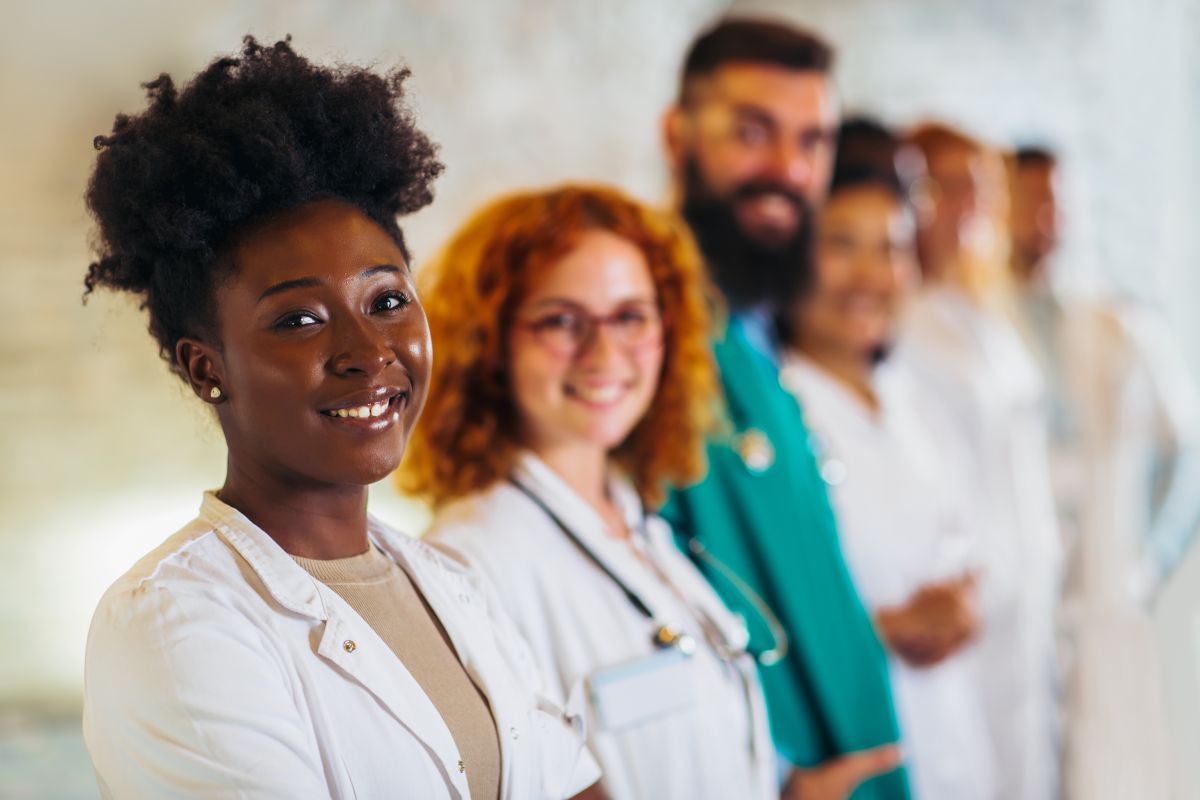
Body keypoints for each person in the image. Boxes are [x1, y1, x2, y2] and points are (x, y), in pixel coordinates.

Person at [80, 38, 601, 800]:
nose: (367, 351)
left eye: (388, 300)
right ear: (206, 367)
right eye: (298, 320)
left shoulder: (449, 582)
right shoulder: (171, 626)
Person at [399, 184, 807, 800]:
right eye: (561, 320)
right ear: (490, 344)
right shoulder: (469, 564)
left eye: (630, 316)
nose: (605, 353)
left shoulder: (641, 523)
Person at [657, 18, 909, 800]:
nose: (788, 169)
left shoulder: (760, 327)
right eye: (753, 133)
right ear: (678, 136)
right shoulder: (646, 335)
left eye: (812, 141)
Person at [776, 119, 996, 800]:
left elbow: (966, 538)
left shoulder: (913, 396)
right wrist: (887, 629)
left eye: (892, 248)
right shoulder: (781, 414)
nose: (872, 275)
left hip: (953, 735)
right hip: (849, 750)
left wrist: (963, 602)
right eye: (842, 246)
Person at [1009, 146, 1196, 799]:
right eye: (1030, 199)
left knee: (1108, 763)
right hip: (1017, 605)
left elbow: (1182, 456)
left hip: (1101, 595)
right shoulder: (970, 326)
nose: (1044, 219)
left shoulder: (1115, 329)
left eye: (1058, 203)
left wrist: (1143, 564)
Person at [893, 123, 1061, 800]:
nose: (964, 204)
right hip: (965, 599)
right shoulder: (897, 321)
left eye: (977, 185)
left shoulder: (980, 312)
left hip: (1026, 600)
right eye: (943, 185)